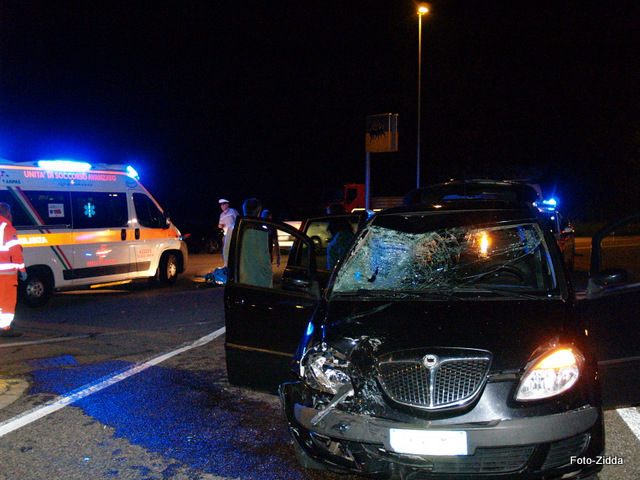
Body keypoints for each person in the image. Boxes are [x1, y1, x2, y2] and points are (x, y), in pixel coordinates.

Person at [0, 203, 26, 338]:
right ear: (6, 214)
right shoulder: (8, 229)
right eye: (10, 213)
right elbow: (16, 253)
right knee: (7, 302)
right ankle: (5, 328)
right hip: (5, 275)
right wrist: (22, 269)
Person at [239, 198, 273, 288]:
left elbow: (226, 253)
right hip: (257, 280)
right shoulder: (260, 231)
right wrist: (269, 275)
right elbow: (264, 256)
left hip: (238, 278)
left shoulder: (234, 229)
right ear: (259, 212)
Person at [218, 199, 239, 267]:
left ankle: (235, 263)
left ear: (227, 204)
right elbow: (220, 224)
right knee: (225, 250)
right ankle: (226, 264)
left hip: (233, 233)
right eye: (221, 205)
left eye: (223, 204)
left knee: (234, 249)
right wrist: (220, 226)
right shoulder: (221, 215)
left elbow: (238, 219)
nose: (222, 206)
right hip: (226, 234)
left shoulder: (232, 211)